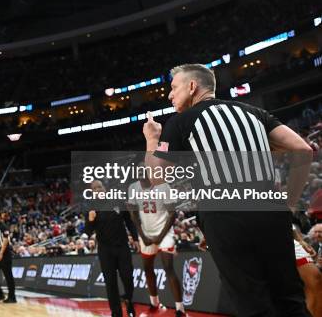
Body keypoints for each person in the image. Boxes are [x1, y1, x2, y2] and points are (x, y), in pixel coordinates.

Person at [143, 63, 312, 316]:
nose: (169, 95)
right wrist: (288, 203)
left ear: (192, 86)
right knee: (290, 300)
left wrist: (152, 139)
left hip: (225, 217)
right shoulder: (254, 112)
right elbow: (303, 150)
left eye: (173, 88)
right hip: (272, 212)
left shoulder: (181, 122)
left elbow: (156, 177)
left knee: (252, 303)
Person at [128, 176, 185, 316]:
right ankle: (154, 303)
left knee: (168, 267)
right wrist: (142, 235)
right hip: (146, 233)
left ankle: (180, 309)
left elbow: (172, 214)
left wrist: (160, 237)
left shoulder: (163, 185)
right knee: (147, 268)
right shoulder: (133, 188)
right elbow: (133, 214)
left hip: (164, 232)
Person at [84, 180, 138, 317]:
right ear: (92, 192)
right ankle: (116, 313)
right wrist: (90, 220)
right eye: (94, 188)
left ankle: (128, 299)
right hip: (105, 250)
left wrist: (136, 238)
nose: (97, 190)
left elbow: (129, 221)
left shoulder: (117, 201)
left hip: (122, 247)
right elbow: (88, 231)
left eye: (99, 187)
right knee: (110, 283)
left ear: (105, 188)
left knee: (128, 277)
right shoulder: (91, 207)